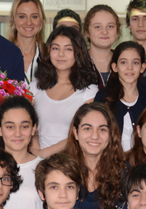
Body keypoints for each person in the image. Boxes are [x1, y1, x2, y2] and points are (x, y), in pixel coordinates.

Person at [31, 25, 99, 156]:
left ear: (78, 53)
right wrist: (35, 151)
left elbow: (85, 131)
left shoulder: (89, 91)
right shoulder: (35, 86)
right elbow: (27, 122)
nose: (61, 54)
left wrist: (43, 154)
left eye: (68, 49)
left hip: (72, 160)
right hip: (36, 159)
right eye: (55, 48)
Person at [65, 103, 127, 209]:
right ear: (76, 133)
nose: (95, 136)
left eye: (102, 129)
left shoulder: (124, 175)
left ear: (111, 135)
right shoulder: (62, 173)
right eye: (87, 128)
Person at [94, 41, 146, 151]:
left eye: (135, 63)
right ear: (115, 67)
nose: (129, 67)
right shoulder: (103, 97)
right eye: (123, 62)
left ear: (142, 67)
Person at [0, 96, 43, 209]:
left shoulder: (45, 168)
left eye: (24, 126)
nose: (17, 133)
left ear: (34, 128)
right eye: (10, 127)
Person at [7, 0, 45, 84]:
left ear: (41, 20)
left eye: (34, 17)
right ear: (13, 20)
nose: (28, 22)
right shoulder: (2, 54)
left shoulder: (50, 56)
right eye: (22, 17)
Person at [84, 4, 120, 86]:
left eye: (110, 26)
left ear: (117, 31)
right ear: (87, 32)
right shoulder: (77, 61)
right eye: (97, 27)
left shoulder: (125, 61)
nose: (105, 32)